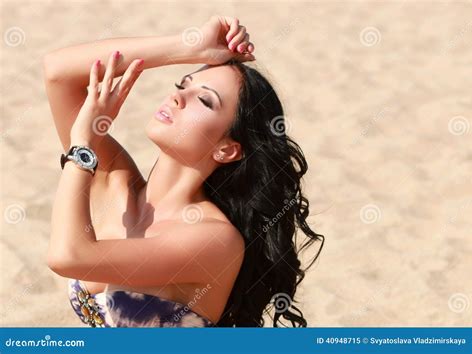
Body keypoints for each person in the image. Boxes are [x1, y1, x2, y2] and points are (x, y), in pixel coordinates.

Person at [44, 15, 324, 327]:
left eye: (204, 100)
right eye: (183, 84)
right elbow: (57, 72)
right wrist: (189, 47)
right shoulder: (114, 180)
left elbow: (67, 257)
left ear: (227, 149)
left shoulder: (214, 239)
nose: (178, 97)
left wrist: (83, 145)